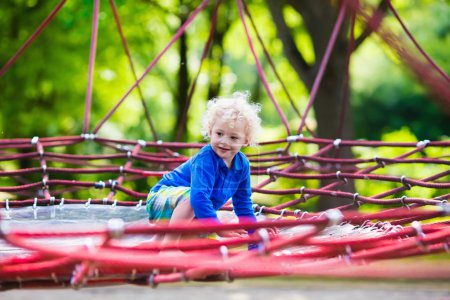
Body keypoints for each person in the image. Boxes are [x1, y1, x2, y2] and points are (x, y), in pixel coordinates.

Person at [146, 91, 261, 248]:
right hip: (162, 200)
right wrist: (219, 229)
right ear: (210, 131)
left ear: (245, 140)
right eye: (219, 133)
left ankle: (152, 246)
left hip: (187, 212)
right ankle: (168, 248)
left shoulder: (242, 165)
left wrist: (253, 239)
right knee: (195, 198)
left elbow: (243, 204)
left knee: (205, 241)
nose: (224, 142)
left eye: (233, 137)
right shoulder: (205, 159)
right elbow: (198, 198)